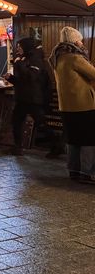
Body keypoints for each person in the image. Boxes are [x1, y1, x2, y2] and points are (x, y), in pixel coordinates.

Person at [50, 27, 95, 182]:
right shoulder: (75, 58)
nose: (82, 43)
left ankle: (73, 170)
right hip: (83, 105)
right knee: (89, 139)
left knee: (73, 139)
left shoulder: (57, 57)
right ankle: (87, 172)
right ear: (75, 40)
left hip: (66, 106)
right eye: (80, 40)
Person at [4, 38, 54, 156]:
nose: (18, 48)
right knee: (16, 121)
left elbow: (31, 77)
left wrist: (18, 63)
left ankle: (57, 145)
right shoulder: (24, 59)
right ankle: (17, 147)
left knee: (41, 123)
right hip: (23, 98)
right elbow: (22, 81)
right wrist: (10, 78)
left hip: (33, 98)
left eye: (20, 46)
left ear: (26, 46)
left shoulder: (35, 59)